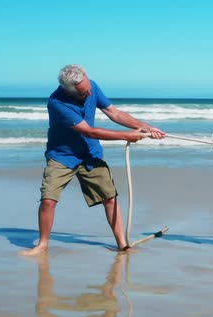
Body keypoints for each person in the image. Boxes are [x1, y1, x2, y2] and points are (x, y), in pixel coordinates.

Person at [20, 64, 165, 256]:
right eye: (83, 92)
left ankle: (122, 244)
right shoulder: (57, 103)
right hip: (62, 156)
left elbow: (114, 113)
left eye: (89, 88)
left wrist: (146, 127)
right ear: (69, 90)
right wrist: (126, 136)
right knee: (48, 200)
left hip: (90, 153)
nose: (89, 93)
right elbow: (90, 131)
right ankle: (43, 244)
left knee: (110, 199)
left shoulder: (91, 86)